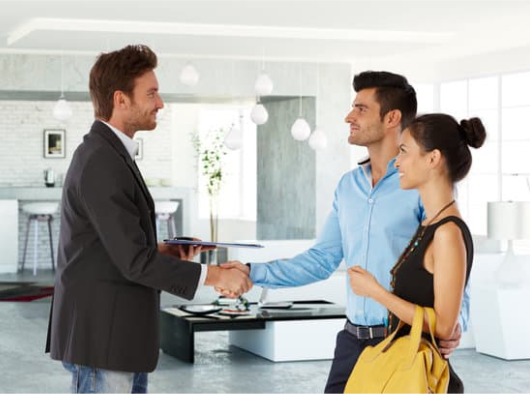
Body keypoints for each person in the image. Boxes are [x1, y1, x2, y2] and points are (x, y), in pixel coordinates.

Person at [221, 71, 469, 393]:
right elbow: (322, 259)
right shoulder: (348, 187)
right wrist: (253, 272)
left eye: (361, 109)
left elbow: (455, 261)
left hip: (404, 343)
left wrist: (455, 322)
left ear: (392, 117)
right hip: (352, 342)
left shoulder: (421, 185)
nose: (349, 116)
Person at [45, 45, 252, 394]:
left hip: (115, 337)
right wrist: (217, 275)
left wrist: (165, 251)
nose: (160, 104)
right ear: (120, 100)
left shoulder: (108, 153)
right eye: (152, 93)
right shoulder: (101, 161)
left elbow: (113, 247)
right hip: (102, 339)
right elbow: (133, 262)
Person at [349, 113, 486, 392]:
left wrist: (376, 292)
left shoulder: (447, 233)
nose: (396, 162)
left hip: (422, 380)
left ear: (433, 159)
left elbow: (445, 326)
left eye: (404, 151)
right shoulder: (429, 224)